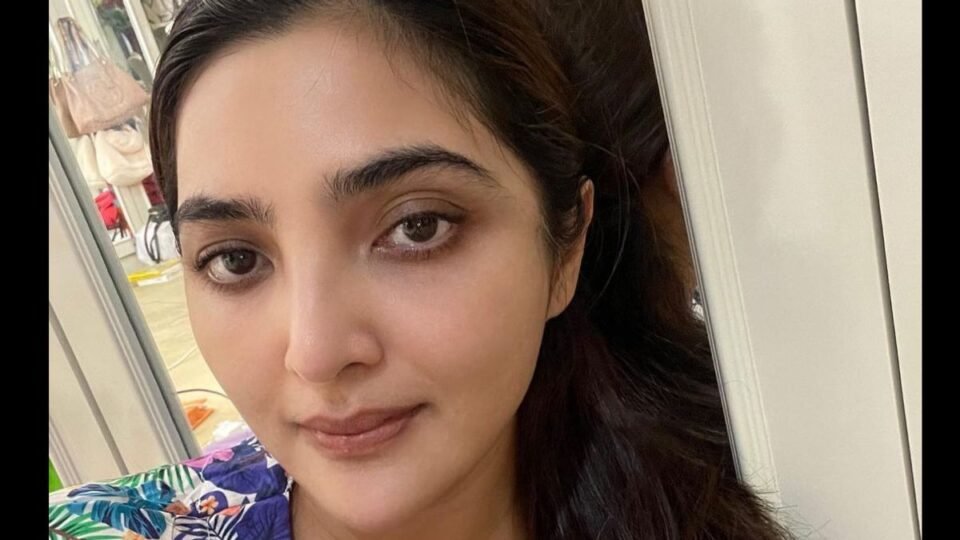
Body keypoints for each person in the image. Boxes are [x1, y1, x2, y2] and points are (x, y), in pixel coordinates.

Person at [49, 1, 792, 538]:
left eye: (417, 228)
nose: (316, 353)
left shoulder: (762, 471)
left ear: (565, 247)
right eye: (235, 259)